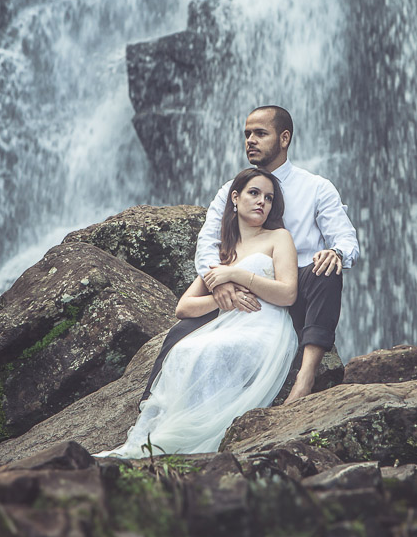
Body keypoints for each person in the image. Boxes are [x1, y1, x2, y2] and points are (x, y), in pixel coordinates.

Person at [143, 105, 360, 405]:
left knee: (328, 269)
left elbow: (345, 237)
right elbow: (207, 241)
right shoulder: (232, 190)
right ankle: (150, 407)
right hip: (242, 292)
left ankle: (306, 376)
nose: (250, 141)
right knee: (181, 332)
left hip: (297, 288)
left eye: (260, 133)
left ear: (284, 139)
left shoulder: (316, 187)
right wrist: (219, 281)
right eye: (247, 134)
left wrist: (336, 252)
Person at [98, 167, 299, 457]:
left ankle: (200, 437)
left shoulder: (279, 238)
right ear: (234, 197)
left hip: (265, 327)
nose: (261, 202)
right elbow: (184, 307)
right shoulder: (222, 251)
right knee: (185, 351)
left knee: (211, 351)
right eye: (254, 193)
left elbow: (288, 293)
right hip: (229, 323)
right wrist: (220, 301)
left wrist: (237, 276)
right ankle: (169, 437)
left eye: (268, 198)